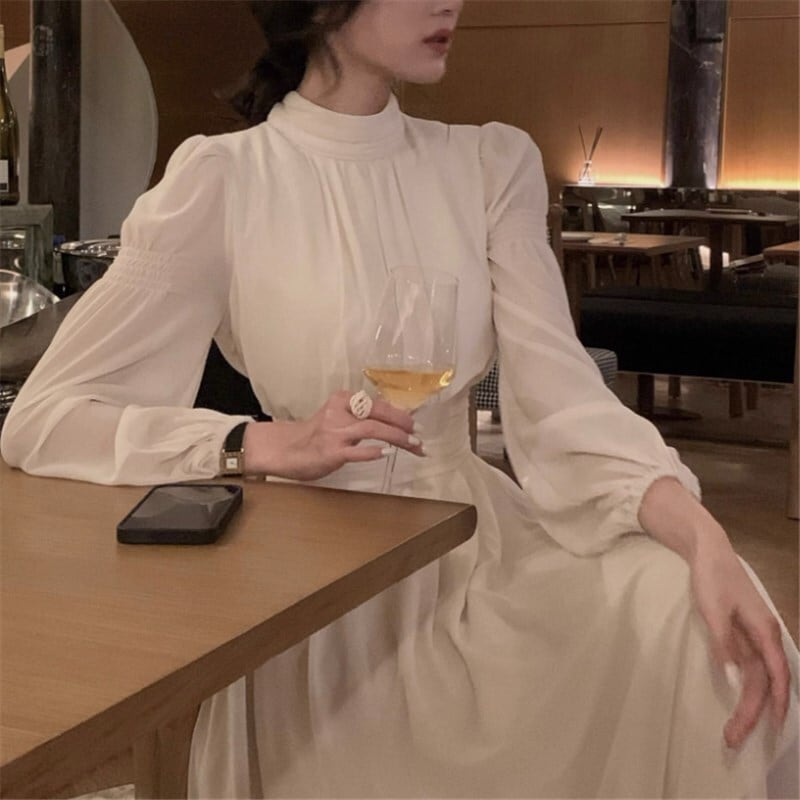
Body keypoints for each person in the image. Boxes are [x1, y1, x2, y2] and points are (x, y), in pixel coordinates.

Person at [2, 1, 798, 796]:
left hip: (469, 548)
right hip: (308, 588)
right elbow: (47, 418)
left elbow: (561, 397)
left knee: (700, 628)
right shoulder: (223, 178)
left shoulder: (488, 165)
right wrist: (255, 442)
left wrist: (702, 536)